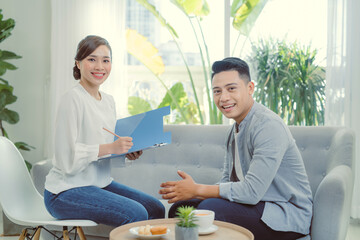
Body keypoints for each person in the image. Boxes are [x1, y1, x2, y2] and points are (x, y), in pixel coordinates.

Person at [159, 57, 313, 240]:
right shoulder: (234, 130)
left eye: (231, 88)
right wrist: (188, 193)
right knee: (181, 209)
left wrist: (197, 189)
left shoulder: (268, 126)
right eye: (217, 91)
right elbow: (227, 181)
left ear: (250, 88)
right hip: (256, 205)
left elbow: (251, 192)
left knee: (212, 210)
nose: (223, 98)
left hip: (284, 214)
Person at [44, 35, 165, 226]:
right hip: (65, 191)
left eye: (105, 60)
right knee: (137, 213)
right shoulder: (71, 99)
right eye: (92, 59)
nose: (100, 66)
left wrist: (125, 152)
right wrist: (111, 147)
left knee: (156, 208)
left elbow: (103, 153)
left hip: (98, 183)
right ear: (78, 63)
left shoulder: (108, 101)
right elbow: (66, 159)